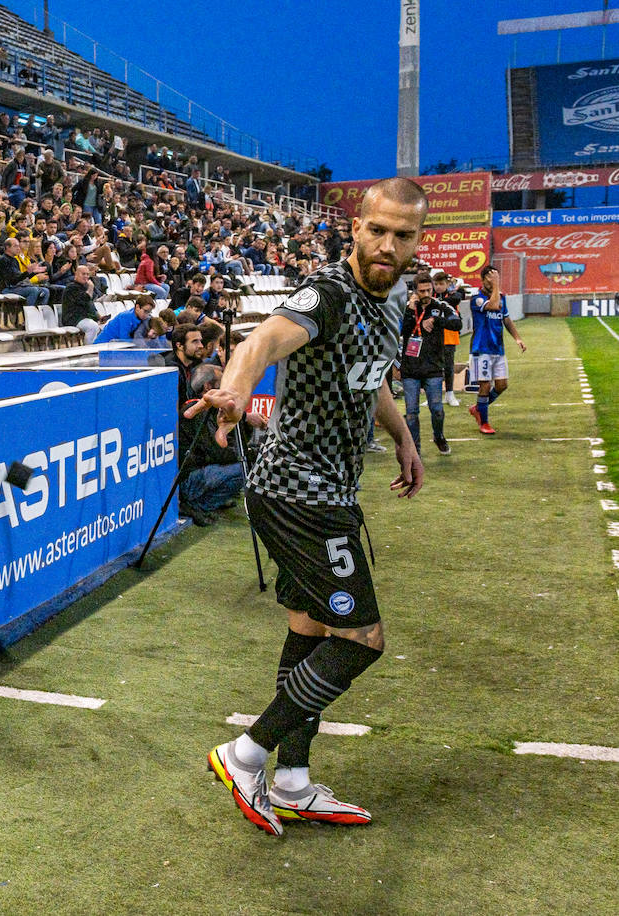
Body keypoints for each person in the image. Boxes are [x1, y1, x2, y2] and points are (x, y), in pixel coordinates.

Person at [189, 177, 429, 836]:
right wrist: (236, 390)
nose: (386, 245)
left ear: (416, 241)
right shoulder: (325, 293)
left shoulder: (395, 295)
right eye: (376, 230)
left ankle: (292, 780)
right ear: (356, 226)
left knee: (311, 630)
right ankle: (246, 755)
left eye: (401, 236)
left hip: (327, 490)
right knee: (360, 638)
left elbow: (372, 376)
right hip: (299, 494)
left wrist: (405, 437)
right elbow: (261, 342)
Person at [178, 363, 264, 526]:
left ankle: (205, 502)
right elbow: (219, 452)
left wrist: (244, 418)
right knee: (245, 466)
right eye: (223, 383)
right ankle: (199, 505)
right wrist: (252, 454)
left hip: (201, 471)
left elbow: (234, 444)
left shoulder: (214, 411)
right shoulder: (197, 412)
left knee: (246, 462)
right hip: (189, 479)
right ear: (208, 387)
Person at [399, 271, 458, 455]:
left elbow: (457, 324)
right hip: (410, 368)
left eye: (428, 290)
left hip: (433, 367)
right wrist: (410, 309)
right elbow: (402, 330)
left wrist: (436, 320)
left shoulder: (440, 306)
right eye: (422, 291)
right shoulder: (407, 308)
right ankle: (415, 448)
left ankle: (439, 436)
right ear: (415, 291)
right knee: (411, 413)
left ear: (433, 288)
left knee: (437, 410)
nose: (426, 294)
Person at [467, 265, 525, 436]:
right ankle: (484, 422)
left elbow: (505, 318)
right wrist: (497, 285)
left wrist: (517, 338)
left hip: (497, 349)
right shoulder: (476, 298)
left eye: (496, 279)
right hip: (481, 349)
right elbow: (493, 305)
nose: (494, 283)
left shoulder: (501, 297)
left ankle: (478, 408)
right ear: (483, 280)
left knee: (502, 385)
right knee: (485, 386)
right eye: (491, 280)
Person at [431, 269, 464, 406]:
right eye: (436, 284)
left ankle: (450, 394)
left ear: (446, 284)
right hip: (433, 336)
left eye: (441, 283)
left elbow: (458, 296)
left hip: (449, 335)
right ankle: (433, 395)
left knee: (449, 365)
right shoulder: (430, 295)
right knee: (434, 366)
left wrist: (440, 301)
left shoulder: (451, 295)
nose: (438, 286)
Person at [61, 264, 101, 342]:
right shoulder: (71, 287)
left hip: (83, 318)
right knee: (92, 326)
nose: (86, 276)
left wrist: (98, 316)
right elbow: (84, 300)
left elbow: (90, 304)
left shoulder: (84, 287)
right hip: (73, 318)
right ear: (76, 274)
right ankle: (88, 351)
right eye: (83, 274)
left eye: (87, 274)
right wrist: (90, 288)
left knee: (104, 326)